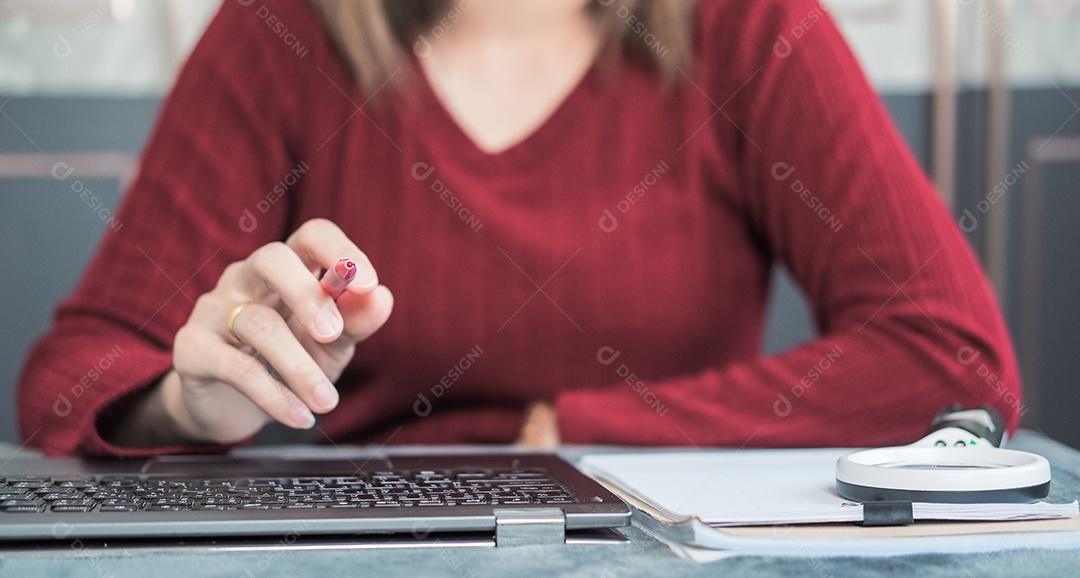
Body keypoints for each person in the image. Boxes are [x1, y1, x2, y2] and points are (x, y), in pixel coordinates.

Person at [18, 0, 1021, 457]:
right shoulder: (281, 30)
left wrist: (568, 432)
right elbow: (73, 372)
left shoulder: (750, 25)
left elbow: (951, 355)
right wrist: (193, 408)